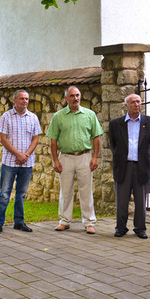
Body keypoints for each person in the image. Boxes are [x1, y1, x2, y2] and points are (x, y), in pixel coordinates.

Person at [47, 86, 103, 234]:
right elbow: (53, 140)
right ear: (66, 98)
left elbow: (96, 137)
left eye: (77, 95)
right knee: (65, 191)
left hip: (85, 156)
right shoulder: (58, 116)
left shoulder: (90, 115)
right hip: (65, 157)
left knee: (86, 190)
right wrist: (55, 160)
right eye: (71, 96)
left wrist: (95, 157)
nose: (75, 98)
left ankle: (89, 222)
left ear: (80, 96)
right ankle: (64, 221)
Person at [0, 90, 42, 235]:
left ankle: (19, 222)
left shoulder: (33, 117)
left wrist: (25, 155)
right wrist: (18, 154)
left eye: (26, 99)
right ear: (14, 100)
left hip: (26, 163)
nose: (25, 101)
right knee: (4, 194)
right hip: (9, 162)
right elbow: (3, 139)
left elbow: (35, 139)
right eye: (22, 99)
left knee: (21, 194)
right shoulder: (6, 116)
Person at [109, 94, 150, 239]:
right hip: (123, 166)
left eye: (138, 102)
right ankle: (121, 227)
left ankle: (140, 228)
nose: (136, 104)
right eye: (132, 102)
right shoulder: (115, 123)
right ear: (126, 106)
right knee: (121, 200)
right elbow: (113, 145)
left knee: (141, 200)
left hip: (141, 166)